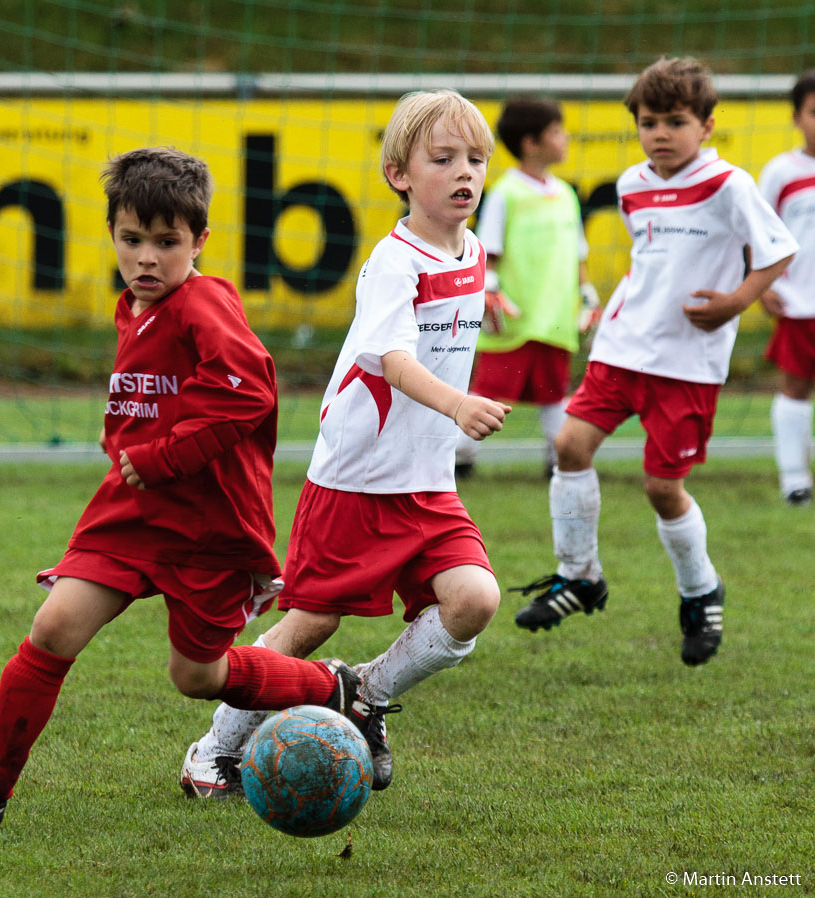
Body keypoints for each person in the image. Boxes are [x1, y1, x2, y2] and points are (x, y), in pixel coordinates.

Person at [0, 147, 363, 829]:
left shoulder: (204, 303)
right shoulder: (135, 307)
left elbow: (248, 393)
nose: (147, 257)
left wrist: (162, 454)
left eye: (167, 243)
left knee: (196, 677)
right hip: (132, 515)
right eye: (132, 239)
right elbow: (157, 395)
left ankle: (335, 687)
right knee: (54, 626)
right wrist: (121, 442)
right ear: (112, 234)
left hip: (208, 527)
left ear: (200, 241)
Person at [180, 90, 510, 798]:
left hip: (429, 482)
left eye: (476, 160)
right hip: (358, 478)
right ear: (399, 174)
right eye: (444, 158)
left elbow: (457, 306)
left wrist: (492, 301)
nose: (465, 173)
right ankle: (212, 751)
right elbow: (392, 360)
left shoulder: (474, 249)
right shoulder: (392, 264)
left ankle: (364, 694)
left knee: (474, 600)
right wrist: (459, 405)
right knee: (310, 622)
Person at [513, 57, 798, 666]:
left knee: (663, 488)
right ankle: (579, 575)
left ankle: (700, 592)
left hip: (688, 365)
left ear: (707, 125)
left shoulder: (730, 185)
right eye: (649, 122)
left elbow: (778, 252)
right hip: (622, 350)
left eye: (675, 121)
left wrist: (735, 304)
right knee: (569, 446)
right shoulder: (633, 185)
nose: (660, 133)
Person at [455, 98, 600, 479]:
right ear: (530, 143)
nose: (565, 138)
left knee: (555, 393)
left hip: (555, 319)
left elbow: (577, 256)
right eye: (556, 132)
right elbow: (490, 252)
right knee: (490, 390)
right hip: (515, 318)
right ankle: (457, 457)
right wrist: (489, 292)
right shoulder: (506, 193)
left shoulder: (567, 195)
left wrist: (588, 296)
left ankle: (559, 462)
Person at [757, 69, 815, 506]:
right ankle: (795, 478)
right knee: (795, 389)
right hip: (799, 303)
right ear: (797, 117)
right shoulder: (781, 171)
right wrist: (760, 288)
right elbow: (756, 233)